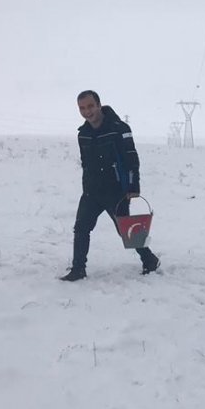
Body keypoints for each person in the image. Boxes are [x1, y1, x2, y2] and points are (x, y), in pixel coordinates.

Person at [59, 90, 160, 282]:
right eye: (82, 108)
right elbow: (85, 163)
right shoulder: (83, 134)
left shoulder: (119, 128)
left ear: (98, 105)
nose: (87, 111)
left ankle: (150, 259)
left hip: (116, 192)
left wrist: (133, 186)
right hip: (91, 192)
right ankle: (78, 269)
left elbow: (132, 158)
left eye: (90, 106)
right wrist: (86, 185)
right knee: (81, 228)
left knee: (125, 230)